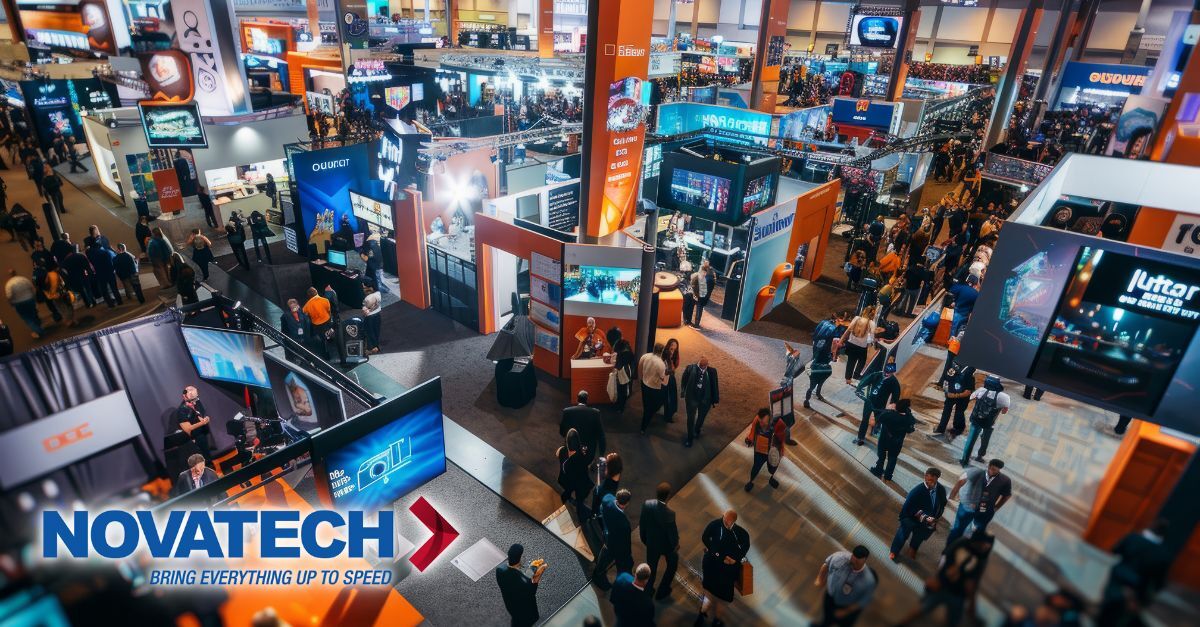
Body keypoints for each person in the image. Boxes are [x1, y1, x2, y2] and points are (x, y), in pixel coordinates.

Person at [898, 532, 994, 627]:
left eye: (989, 545)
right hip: (943, 585)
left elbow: (973, 581)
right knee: (923, 608)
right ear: (978, 540)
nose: (987, 547)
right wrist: (936, 578)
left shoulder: (982, 557)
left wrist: (972, 603)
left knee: (950, 621)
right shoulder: (962, 543)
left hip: (958, 593)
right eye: (985, 543)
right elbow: (945, 559)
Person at [1098, 519, 1171, 627]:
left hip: (1117, 579)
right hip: (1137, 590)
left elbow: (1115, 550)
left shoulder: (1132, 538)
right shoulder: (1163, 554)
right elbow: (1159, 582)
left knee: (1105, 610)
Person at [697, 509, 750, 627]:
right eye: (725, 519)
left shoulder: (715, 525)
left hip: (714, 567)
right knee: (722, 600)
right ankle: (716, 621)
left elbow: (705, 537)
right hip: (724, 570)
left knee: (709, 595)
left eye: (727, 520)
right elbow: (745, 545)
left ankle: (702, 615)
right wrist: (731, 559)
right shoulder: (738, 532)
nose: (725, 521)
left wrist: (732, 558)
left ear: (732, 521)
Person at [946, 458, 1012, 545]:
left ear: (999, 470)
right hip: (968, 506)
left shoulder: (1005, 480)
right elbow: (960, 482)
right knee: (958, 529)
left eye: (996, 470)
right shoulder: (976, 473)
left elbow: (1007, 496)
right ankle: (949, 548)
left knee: (978, 532)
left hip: (985, 510)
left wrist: (996, 507)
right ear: (988, 466)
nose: (992, 471)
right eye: (991, 468)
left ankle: (968, 548)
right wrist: (951, 496)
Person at [890, 468, 947, 561]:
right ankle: (894, 551)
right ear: (925, 476)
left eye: (934, 480)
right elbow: (908, 508)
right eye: (929, 480)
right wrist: (924, 517)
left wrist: (937, 516)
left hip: (928, 520)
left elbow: (943, 503)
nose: (931, 483)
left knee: (919, 536)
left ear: (937, 479)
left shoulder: (941, 489)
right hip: (911, 517)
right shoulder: (916, 491)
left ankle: (913, 548)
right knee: (902, 534)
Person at [813, 545, 877, 627]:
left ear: (864, 560)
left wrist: (845, 611)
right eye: (853, 558)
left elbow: (863, 600)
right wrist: (819, 579)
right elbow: (826, 564)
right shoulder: (839, 558)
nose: (854, 562)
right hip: (830, 597)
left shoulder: (868, 580)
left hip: (848, 606)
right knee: (826, 619)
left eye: (857, 561)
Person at [639, 482, 679, 600]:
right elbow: (672, 535)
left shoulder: (647, 505)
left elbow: (642, 525)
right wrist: (675, 545)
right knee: (672, 564)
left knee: (651, 568)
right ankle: (663, 591)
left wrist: (645, 540)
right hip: (666, 547)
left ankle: (648, 590)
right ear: (668, 496)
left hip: (651, 543)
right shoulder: (670, 514)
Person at [960, 375, 1010, 466]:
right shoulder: (1004, 397)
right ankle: (980, 456)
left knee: (970, 440)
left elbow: (970, 398)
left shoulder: (981, 390)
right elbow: (1004, 412)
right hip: (989, 422)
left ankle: (964, 460)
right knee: (985, 439)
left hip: (976, 420)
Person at [495, 543, 546, 627]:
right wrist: (541, 571)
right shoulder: (524, 583)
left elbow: (523, 578)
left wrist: (532, 567)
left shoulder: (500, 570)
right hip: (526, 613)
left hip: (512, 607)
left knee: (516, 621)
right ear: (520, 557)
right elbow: (532, 590)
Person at [592, 488, 633, 590]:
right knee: (607, 557)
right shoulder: (624, 523)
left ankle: (599, 571)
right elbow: (626, 542)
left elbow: (601, 507)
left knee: (604, 554)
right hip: (614, 543)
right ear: (626, 504)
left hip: (606, 533)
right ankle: (597, 574)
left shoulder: (608, 499)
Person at [871, 398, 917, 481]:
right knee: (893, 458)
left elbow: (878, 418)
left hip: (884, 439)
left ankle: (878, 470)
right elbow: (910, 430)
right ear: (906, 408)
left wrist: (889, 410)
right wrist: (908, 413)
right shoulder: (908, 419)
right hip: (897, 442)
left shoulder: (888, 415)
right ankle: (888, 476)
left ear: (897, 407)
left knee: (881, 456)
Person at [856, 363, 901, 445]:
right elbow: (865, 381)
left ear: (893, 372)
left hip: (880, 405)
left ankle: (876, 430)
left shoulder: (894, 382)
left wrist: (893, 404)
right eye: (885, 372)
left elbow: (896, 395)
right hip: (869, 401)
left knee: (879, 419)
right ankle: (860, 437)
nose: (886, 374)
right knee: (865, 419)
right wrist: (859, 388)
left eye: (888, 373)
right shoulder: (877, 375)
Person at [680, 355, 719, 448]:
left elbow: (715, 385)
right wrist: (683, 391)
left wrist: (715, 398)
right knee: (690, 419)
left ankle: (696, 430)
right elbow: (684, 380)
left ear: (707, 365)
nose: (702, 368)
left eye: (704, 366)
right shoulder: (690, 368)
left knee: (701, 417)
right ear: (698, 363)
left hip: (705, 399)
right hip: (692, 398)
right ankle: (689, 438)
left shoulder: (712, 371)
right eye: (700, 366)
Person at [743, 408, 785, 491]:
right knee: (756, 467)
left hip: (772, 451)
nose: (761, 424)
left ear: (770, 419)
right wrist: (750, 440)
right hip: (759, 450)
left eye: (763, 422)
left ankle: (771, 478)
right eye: (760, 421)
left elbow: (781, 439)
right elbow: (753, 432)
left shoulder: (779, 423)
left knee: (773, 467)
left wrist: (781, 452)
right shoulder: (757, 420)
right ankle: (751, 481)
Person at [560, 390, 605, 464]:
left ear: (577, 399)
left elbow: (562, 432)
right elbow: (601, 435)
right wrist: (601, 454)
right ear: (587, 400)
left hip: (572, 449)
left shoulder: (567, 411)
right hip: (588, 452)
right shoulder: (595, 413)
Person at [558, 429, 593, 521]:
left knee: (567, 492)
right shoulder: (582, 454)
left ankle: (564, 501)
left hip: (568, 481)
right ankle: (582, 517)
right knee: (579, 501)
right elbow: (587, 465)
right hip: (579, 483)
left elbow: (564, 469)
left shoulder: (562, 451)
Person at [935, 363, 975, 438]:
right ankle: (943, 428)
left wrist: (951, 394)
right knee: (950, 411)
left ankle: (956, 429)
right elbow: (946, 381)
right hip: (954, 395)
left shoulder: (953, 366)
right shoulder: (966, 370)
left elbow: (968, 392)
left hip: (959, 396)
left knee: (957, 413)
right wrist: (947, 393)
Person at [177, 386, 213, 461]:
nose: (190, 392)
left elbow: (201, 415)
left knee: (210, 458)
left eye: (192, 390)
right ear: (184, 395)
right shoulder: (182, 409)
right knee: (206, 460)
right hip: (197, 439)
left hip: (205, 436)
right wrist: (202, 423)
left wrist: (203, 419)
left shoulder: (197, 403)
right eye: (188, 391)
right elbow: (187, 429)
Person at [638, 343, 668, 434]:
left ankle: (644, 424)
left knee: (646, 405)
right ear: (662, 351)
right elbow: (663, 379)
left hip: (644, 384)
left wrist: (641, 379)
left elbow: (639, 368)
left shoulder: (645, 356)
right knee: (654, 406)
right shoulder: (661, 364)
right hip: (654, 387)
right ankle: (643, 427)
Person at [5, 269, 44, 338]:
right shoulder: (23, 279)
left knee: (27, 318)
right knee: (33, 314)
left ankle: (38, 330)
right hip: (29, 300)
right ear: (15, 273)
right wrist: (34, 297)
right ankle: (38, 326)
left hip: (18, 303)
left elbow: (9, 296)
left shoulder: (9, 284)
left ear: (10, 275)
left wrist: (11, 303)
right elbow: (32, 288)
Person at [839, 309, 874, 384]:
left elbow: (848, 330)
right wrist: (870, 345)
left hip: (851, 344)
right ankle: (856, 377)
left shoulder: (857, 318)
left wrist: (841, 340)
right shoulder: (871, 323)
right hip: (862, 347)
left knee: (851, 361)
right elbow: (871, 339)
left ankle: (848, 379)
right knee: (862, 361)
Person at [86, 241, 122, 307]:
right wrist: (112, 270)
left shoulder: (91, 254)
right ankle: (119, 301)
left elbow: (87, 251)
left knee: (104, 291)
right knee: (114, 288)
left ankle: (110, 304)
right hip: (109, 272)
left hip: (100, 274)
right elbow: (110, 263)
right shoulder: (106, 252)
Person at [303, 286, 333, 358]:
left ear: (309, 295)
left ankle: (326, 355)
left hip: (317, 324)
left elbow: (304, 313)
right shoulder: (325, 300)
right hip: (327, 320)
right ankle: (330, 340)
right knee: (329, 333)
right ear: (316, 292)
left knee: (322, 339)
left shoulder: (307, 305)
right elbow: (329, 310)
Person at [610, 329, 635, 413]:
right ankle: (620, 405)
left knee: (622, 390)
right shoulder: (624, 345)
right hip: (626, 371)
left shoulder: (624, 351)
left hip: (624, 372)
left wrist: (616, 367)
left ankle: (621, 407)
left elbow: (620, 362)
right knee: (622, 389)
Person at [688, 259, 715, 327]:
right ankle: (696, 323)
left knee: (696, 307)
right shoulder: (712, 278)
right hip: (706, 296)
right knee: (700, 308)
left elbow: (696, 285)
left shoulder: (704, 276)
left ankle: (693, 323)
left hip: (700, 294)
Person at [661, 339, 680, 424]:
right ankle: (667, 415)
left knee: (671, 397)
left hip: (671, 377)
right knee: (666, 397)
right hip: (664, 377)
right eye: (672, 345)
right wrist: (669, 356)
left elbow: (676, 365)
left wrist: (672, 355)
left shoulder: (675, 354)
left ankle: (668, 415)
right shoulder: (665, 353)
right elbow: (665, 367)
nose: (673, 347)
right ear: (668, 345)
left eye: (675, 345)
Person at [361, 281, 381, 354]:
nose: (363, 289)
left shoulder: (367, 299)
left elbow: (365, 311)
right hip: (377, 315)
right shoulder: (378, 293)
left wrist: (365, 309)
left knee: (369, 333)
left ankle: (372, 348)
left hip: (369, 317)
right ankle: (376, 347)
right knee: (376, 332)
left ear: (369, 288)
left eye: (364, 287)